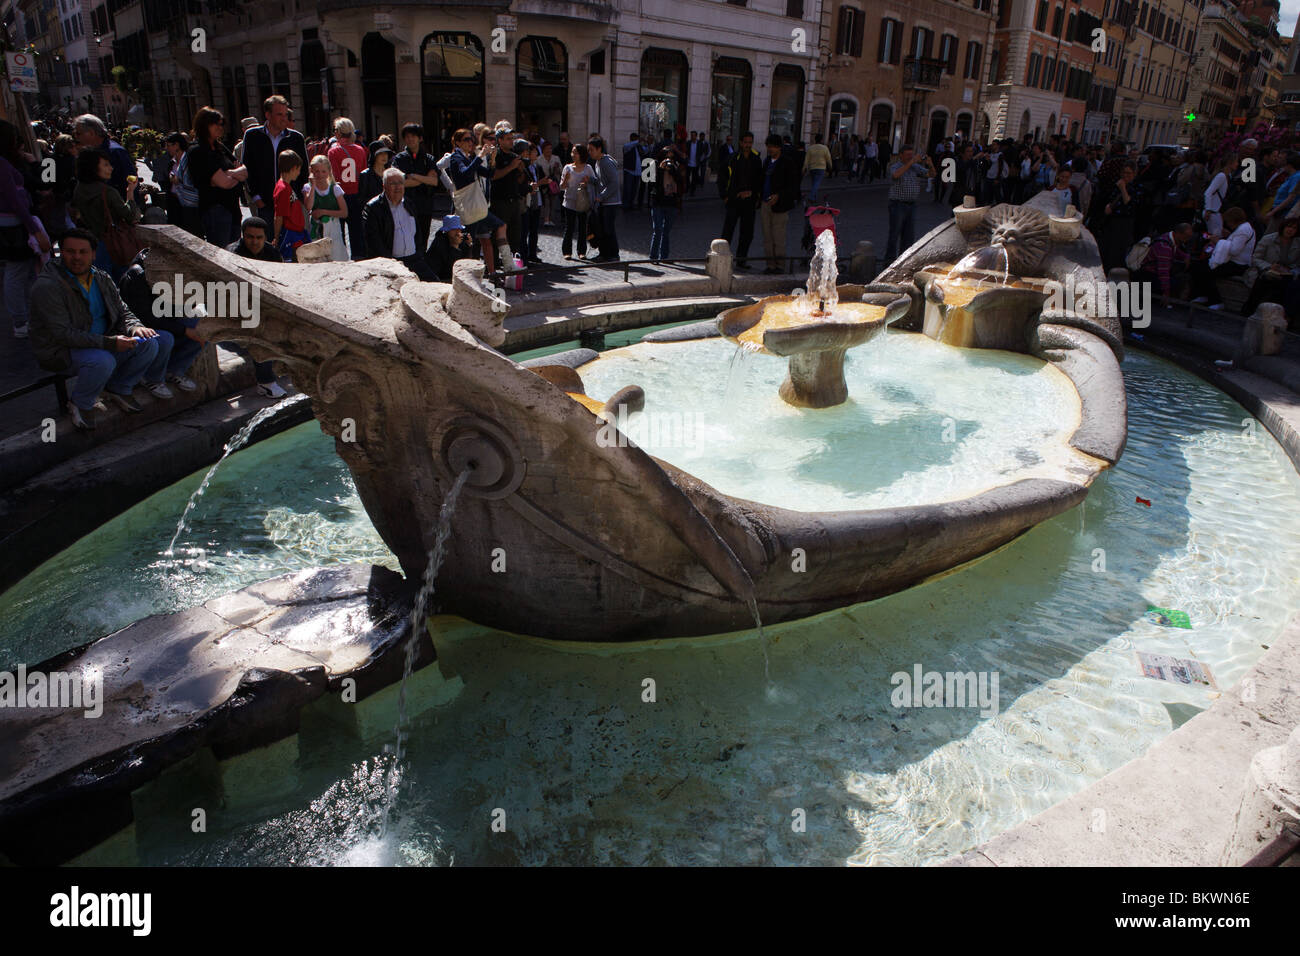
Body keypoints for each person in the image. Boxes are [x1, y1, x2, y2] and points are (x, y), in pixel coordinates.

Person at [29, 228, 174, 429]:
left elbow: (123, 310)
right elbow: (63, 335)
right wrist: (111, 343)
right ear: (61, 252)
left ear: (93, 254)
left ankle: (119, 387)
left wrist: (135, 327)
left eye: (83, 252)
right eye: (70, 252)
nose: (77, 257)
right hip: (61, 350)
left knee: (153, 342)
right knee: (102, 361)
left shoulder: (101, 277)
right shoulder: (48, 287)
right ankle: (80, 403)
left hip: (102, 340)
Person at [117, 247, 205, 392]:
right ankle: (151, 378)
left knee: (203, 327)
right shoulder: (138, 275)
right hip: (139, 328)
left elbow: (174, 308)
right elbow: (146, 318)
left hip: (163, 320)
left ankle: (174, 370)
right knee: (165, 338)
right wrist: (185, 330)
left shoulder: (175, 273)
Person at [0, 118, 48, 339]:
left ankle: (28, 315)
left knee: (26, 270)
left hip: (13, 224)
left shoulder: (9, 162)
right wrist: (34, 229)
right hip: (14, 226)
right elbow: (15, 201)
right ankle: (20, 320)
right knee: (17, 271)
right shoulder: (2, 164)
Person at [445, 128, 512, 273]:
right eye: (466, 140)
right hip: (469, 206)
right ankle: (465, 274)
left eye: (471, 139)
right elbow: (466, 174)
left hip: (477, 207)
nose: (470, 142)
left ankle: (507, 266)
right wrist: (480, 156)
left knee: (498, 227)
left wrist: (492, 159)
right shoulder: (456, 158)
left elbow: (488, 174)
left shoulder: (468, 157)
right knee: (468, 243)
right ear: (457, 143)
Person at [70, 147, 141, 280]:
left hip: (92, 244)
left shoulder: (79, 189)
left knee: (103, 283)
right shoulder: (107, 192)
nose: (111, 168)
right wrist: (130, 192)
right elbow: (130, 215)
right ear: (93, 168)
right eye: (106, 165)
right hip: (115, 245)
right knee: (123, 281)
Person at [187, 106, 249, 250]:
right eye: (217, 124)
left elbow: (245, 170)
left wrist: (229, 173)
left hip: (233, 208)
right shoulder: (198, 151)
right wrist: (234, 174)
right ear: (205, 124)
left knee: (234, 252)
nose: (220, 127)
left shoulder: (220, 147)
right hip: (215, 210)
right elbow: (224, 183)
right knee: (222, 254)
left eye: (222, 124)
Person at [241, 95, 309, 224]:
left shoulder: (296, 138)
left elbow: (304, 171)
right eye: (279, 115)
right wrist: (256, 197)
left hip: (290, 203)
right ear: (268, 115)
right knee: (268, 242)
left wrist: (300, 198)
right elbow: (247, 168)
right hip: (264, 204)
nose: (284, 119)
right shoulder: (252, 136)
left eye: (285, 115)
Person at [363, 167, 437, 280]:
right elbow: (374, 242)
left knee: (435, 285)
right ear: (384, 186)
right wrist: (391, 263)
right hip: (391, 263)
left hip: (414, 259)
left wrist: (419, 253)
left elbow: (418, 233)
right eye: (393, 183)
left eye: (400, 183)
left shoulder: (409, 203)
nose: (398, 187)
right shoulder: (373, 208)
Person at [1190, 207, 1256, 308]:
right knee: (1199, 265)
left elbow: (1234, 250)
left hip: (1238, 264)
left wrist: (1218, 242)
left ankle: (1216, 301)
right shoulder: (1243, 228)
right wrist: (1229, 236)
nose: (1228, 224)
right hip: (1234, 261)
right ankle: (1202, 294)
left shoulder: (1243, 230)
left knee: (1207, 271)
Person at [392, 123, 440, 256]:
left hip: (425, 204)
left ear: (420, 138)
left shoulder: (428, 159)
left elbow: (434, 181)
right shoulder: (399, 159)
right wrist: (423, 179)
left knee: (423, 236)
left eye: (413, 136)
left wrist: (414, 176)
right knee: (407, 237)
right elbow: (399, 183)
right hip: (406, 204)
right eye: (407, 137)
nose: (410, 139)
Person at [884, 144, 935, 263]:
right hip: (897, 205)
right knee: (894, 234)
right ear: (901, 155)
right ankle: (889, 261)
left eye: (911, 155)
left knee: (908, 236)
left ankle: (904, 260)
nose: (910, 157)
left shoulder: (914, 167)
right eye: (907, 155)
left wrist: (930, 164)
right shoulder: (895, 166)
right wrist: (911, 162)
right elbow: (895, 175)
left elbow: (932, 174)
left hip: (911, 205)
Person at [328, 118, 369, 260]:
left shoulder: (333, 152)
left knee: (339, 231)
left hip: (340, 195)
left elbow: (333, 176)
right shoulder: (361, 150)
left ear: (338, 133)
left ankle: (341, 257)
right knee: (356, 230)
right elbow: (363, 173)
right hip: (357, 194)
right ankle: (359, 256)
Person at [721, 132, 763, 270]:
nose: (748, 145)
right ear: (740, 143)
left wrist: (756, 195)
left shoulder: (756, 158)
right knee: (728, 231)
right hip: (734, 200)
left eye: (750, 142)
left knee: (747, 232)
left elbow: (759, 180)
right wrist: (725, 196)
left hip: (749, 201)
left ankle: (741, 259)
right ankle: (722, 258)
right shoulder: (732, 158)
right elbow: (722, 178)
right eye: (745, 142)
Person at [759, 134, 800, 274]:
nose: (770, 149)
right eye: (768, 146)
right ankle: (770, 265)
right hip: (765, 204)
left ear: (779, 147)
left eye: (772, 147)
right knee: (767, 237)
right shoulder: (766, 162)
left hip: (780, 206)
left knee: (778, 237)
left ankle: (780, 265)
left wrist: (779, 195)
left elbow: (793, 186)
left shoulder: (787, 163)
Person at [1242, 218, 1300, 315]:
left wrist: (1290, 270)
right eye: (1289, 226)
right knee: (1266, 280)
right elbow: (1255, 258)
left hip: (1285, 274)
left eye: (1294, 228)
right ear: (1283, 227)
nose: (1290, 230)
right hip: (1264, 271)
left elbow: (1298, 264)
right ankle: (1250, 310)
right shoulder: (1268, 239)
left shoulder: (1297, 244)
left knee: (1288, 285)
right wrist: (1269, 266)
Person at [73, 114, 135, 200]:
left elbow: (131, 180)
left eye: (78, 133)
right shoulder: (88, 153)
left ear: (91, 133)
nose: (76, 137)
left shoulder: (115, 152)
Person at [1131, 222, 1194, 306]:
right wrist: (1166, 293)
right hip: (1148, 277)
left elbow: (1175, 251)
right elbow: (1163, 273)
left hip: (1151, 274)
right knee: (1180, 280)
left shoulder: (1168, 237)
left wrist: (1186, 256)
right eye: (1186, 237)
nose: (1187, 239)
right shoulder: (1164, 246)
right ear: (1178, 233)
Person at [488, 126, 526, 260]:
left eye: (512, 139)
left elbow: (519, 180)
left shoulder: (514, 156)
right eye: (508, 139)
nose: (511, 142)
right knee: (497, 234)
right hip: (499, 201)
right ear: (500, 140)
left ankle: (513, 263)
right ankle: (494, 263)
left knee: (515, 235)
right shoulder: (495, 155)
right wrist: (511, 167)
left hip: (514, 200)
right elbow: (493, 176)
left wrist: (521, 170)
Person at [1095, 161, 1138, 273]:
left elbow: (1129, 204)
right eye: (1124, 173)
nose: (1125, 176)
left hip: (1124, 224)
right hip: (1111, 222)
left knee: (1116, 252)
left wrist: (1123, 189)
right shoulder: (1116, 186)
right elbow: (1109, 199)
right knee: (1105, 249)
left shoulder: (1135, 188)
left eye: (1129, 173)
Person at [304, 154, 349, 261]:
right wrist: (313, 186)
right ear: (311, 171)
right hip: (316, 227)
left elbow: (344, 212)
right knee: (317, 258)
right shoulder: (308, 188)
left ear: (329, 171)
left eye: (323, 171)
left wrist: (324, 211)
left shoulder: (335, 188)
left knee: (336, 256)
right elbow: (308, 206)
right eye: (316, 171)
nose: (320, 175)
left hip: (333, 227)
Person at [586, 136, 621, 261]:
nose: (589, 152)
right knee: (602, 228)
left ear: (599, 149)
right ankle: (604, 253)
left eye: (591, 150)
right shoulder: (598, 162)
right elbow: (602, 181)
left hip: (611, 202)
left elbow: (614, 183)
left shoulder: (606, 162)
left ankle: (613, 254)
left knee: (608, 229)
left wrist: (601, 196)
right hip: (604, 202)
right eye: (588, 150)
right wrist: (590, 180)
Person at [648, 145, 685, 262]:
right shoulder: (653, 165)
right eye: (667, 156)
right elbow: (650, 184)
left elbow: (681, 181)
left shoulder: (676, 166)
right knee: (658, 230)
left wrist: (673, 170)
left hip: (671, 202)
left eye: (671, 157)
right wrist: (660, 169)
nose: (669, 160)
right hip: (658, 202)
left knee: (666, 231)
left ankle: (664, 256)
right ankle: (653, 256)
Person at [271, 150, 309, 261]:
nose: (299, 173)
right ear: (293, 168)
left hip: (297, 232)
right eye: (298, 169)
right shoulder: (283, 189)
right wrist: (277, 238)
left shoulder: (286, 186)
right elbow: (279, 216)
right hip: (290, 236)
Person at [559, 143, 594, 260]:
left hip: (583, 202)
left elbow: (594, 182)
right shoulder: (567, 168)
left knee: (582, 227)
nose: (573, 155)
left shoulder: (588, 168)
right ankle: (567, 251)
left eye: (576, 152)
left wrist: (587, 182)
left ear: (581, 154)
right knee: (569, 227)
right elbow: (562, 187)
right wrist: (566, 180)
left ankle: (581, 251)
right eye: (572, 152)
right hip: (569, 202)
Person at [428, 214, 476, 281]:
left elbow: (466, 262)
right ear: (447, 231)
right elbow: (451, 267)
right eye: (454, 229)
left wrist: (469, 245)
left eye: (459, 229)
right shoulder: (440, 243)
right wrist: (455, 247)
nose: (458, 232)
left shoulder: (461, 239)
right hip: (441, 277)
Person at [520, 143, 543, 264]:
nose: (535, 154)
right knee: (524, 230)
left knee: (534, 229)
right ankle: (523, 256)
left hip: (536, 200)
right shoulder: (524, 167)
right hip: (527, 201)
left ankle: (532, 254)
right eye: (533, 152)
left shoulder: (537, 167)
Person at [358, 141, 393, 214]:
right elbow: (361, 200)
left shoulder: (391, 173)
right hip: (372, 213)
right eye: (380, 154)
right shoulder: (365, 175)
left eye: (386, 153)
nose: (384, 156)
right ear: (374, 155)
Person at [539, 141, 563, 226]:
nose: (549, 150)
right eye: (547, 149)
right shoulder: (539, 159)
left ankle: (551, 218)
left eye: (550, 148)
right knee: (546, 200)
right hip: (544, 183)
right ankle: (546, 219)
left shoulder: (556, 158)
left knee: (553, 201)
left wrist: (557, 168)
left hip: (553, 183)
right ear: (543, 150)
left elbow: (561, 170)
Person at [803, 134, 832, 203]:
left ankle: (814, 198)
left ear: (815, 140)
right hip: (821, 167)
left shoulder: (810, 148)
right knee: (817, 183)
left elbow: (806, 159)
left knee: (814, 183)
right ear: (821, 140)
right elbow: (828, 159)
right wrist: (830, 166)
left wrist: (804, 168)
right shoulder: (825, 148)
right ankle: (812, 197)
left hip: (812, 168)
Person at [622, 132, 645, 212]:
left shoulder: (638, 147)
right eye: (635, 139)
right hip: (629, 170)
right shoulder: (627, 146)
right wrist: (638, 141)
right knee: (627, 189)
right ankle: (626, 205)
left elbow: (645, 151)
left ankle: (631, 204)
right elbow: (629, 146)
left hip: (637, 171)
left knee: (634, 190)